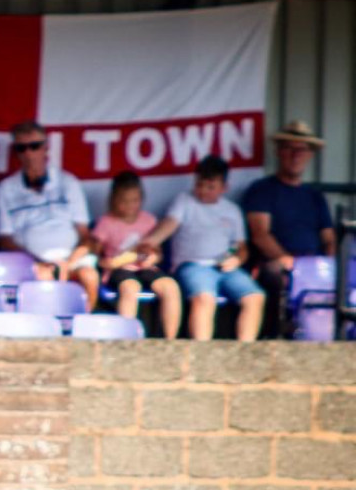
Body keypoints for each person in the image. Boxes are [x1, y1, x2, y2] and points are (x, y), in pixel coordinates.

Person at [140, 155, 264, 341]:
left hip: (227, 268)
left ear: (224, 188)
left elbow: (242, 247)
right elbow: (169, 224)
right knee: (205, 298)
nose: (203, 191)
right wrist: (149, 242)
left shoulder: (232, 211)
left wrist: (237, 259)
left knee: (255, 297)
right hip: (193, 266)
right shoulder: (185, 201)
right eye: (199, 184)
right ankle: (202, 351)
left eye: (211, 186)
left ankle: (245, 352)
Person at [242, 120, 336, 338]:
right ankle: (275, 336)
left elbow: (329, 238)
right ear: (279, 152)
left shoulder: (314, 196)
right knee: (275, 276)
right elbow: (260, 234)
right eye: (289, 149)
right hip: (279, 263)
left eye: (301, 150)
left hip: (315, 265)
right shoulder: (262, 190)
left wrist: (331, 266)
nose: (295, 155)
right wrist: (287, 260)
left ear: (310, 155)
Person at [0, 121, 99, 310]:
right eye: (22, 148)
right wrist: (37, 263)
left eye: (34, 146)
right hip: (31, 262)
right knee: (42, 277)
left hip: (71, 259)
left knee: (89, 276)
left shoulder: (68, 182)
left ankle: (82, 331)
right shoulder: (5, 188)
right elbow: (5, 239)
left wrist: (69, 263)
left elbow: (85, 235)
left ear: (46, 148)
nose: (29, 153)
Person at [92, 171, 182, 339]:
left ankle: (171, 340)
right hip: (119, 269)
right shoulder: (106, 222)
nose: (129, 206)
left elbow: (158, 253)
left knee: (170, 287)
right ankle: (127, 338)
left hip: (145, 267)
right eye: (124, 201)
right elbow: (96, 256)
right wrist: (111, 263)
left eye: (134, 200)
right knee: (130, 288)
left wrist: (152, 258)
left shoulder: (148, 220)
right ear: (114, 200)